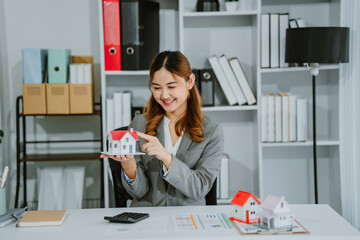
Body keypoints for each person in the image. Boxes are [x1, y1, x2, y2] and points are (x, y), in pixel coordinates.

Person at [101, 51, 224, 206]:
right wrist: (128, 165)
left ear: (190, 81)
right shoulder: (139, 124)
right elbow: (138, 193)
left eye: (171, 86)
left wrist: (167, 157)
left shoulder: (212, 131)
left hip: (187, 219)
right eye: (157, 88)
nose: (164, 95)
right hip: (147, 218)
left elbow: (199, 188)